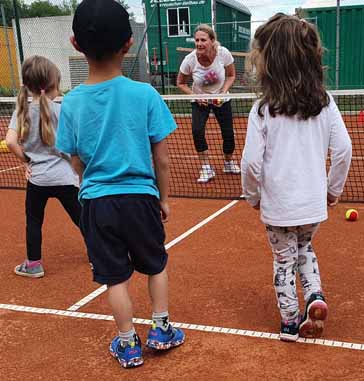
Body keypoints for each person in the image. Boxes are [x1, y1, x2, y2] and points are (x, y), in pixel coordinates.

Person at [56, 0, 184, 368]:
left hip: (96, 203)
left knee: (115, 278)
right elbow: (161, 157)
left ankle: (127, 344)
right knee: (155, 265)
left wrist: (89, 183)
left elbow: (75, 159)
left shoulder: (72, 102)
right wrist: (164, 199)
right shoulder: (146, 94)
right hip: (141, 198)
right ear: (129, 44)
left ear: (76, 44)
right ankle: (161, 330)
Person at [241, 14, 352, 342]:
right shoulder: (325, 103)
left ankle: (290, 321)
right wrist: (333, 190)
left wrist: (252, 196)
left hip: (278, 207)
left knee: (283, 260)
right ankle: (315, 296)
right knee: (305, 247)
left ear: (269, 62)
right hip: (312, 205)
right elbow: (344, 150)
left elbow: (249, 164)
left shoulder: (263, 109)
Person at [5, 55, 81, 279]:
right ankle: (100, 256)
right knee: (82, 218)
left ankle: (33, 265)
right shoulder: (62, 109)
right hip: (66, 177)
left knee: (34, 221)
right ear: (53, 84)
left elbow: (10, 141)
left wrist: (27, 161)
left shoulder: (21, 111)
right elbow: (75, 145)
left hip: (38, 179)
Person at [177, 24, 240, 183]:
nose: (199, 43)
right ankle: (206, 167)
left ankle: (228, 162)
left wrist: (223, 91)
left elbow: (231, 75)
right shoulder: (189, 60)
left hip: (221, 99)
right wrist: (196, 96)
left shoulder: (223, 53)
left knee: (229, 134)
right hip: (200, 100)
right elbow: (180, 83)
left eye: (203, 40)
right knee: (197, 131)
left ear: (212, 41)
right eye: (196, 40)